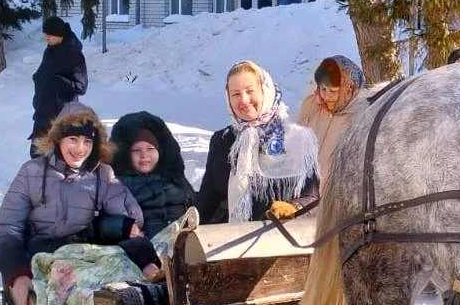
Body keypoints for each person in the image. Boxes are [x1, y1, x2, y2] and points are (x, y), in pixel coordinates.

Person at [0, 103, 153, 305]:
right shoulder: (31, 172)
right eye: (73, 139)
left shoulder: (102, 175)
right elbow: (7, 227)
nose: (80, 149)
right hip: (40, 255)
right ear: (58, 139)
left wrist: (141, 251)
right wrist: (16, 274)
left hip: (83, 252)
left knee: (118, 268)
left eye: (87, 141)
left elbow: (131, 222)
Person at [196, 61, 321, 224]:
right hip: (229, 239)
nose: (244, 100)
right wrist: (184, 232)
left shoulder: (298, 139)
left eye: (250, 91)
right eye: (235, 94)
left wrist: (293, 207)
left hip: (283, 238)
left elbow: (311, 196)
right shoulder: (222, 140)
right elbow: (207, 200)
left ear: (265, 91)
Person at [109, 111, 196, 232]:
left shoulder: (174, 178)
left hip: (181, 242)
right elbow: (108, 221)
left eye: (150, 148)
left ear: (161, 150)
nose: (144, 155)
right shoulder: (118, 187)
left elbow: (194, 204)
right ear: (125, 155)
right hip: (143, 245)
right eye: (136, 150)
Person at [296, 55, 365, 178]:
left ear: (348, 89)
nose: (326, 96)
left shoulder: (358, 119)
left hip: (335, 192)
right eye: (323, 89)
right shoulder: (313, 106)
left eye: (333, 91)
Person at [30, 16, 88, 152]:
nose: (46, 38)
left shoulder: (74, 54)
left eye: (49, 35)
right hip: (43, 115)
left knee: (58, 160)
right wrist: (37, 79)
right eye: (45, 34)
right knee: (37, 156)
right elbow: (44, 75)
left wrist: (58, 82)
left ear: (59, 34)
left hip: (62, 117)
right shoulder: (49, 51)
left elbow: (81, 86)